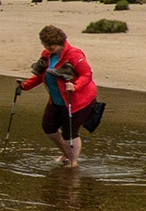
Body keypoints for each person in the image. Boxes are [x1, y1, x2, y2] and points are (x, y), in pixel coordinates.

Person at [18, 24, 100, 167]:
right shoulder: (46, 55)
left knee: (69, 133)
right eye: (46, 44)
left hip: (78, 101)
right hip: (56, 100)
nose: (49, 48)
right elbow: (39, 76)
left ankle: (73, 163)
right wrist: (24, 86)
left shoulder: (74, 54)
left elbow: (87, 75)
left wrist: (75, 86)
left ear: (60, 41)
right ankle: (67, 153)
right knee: (48, 127)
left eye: (52, 45)